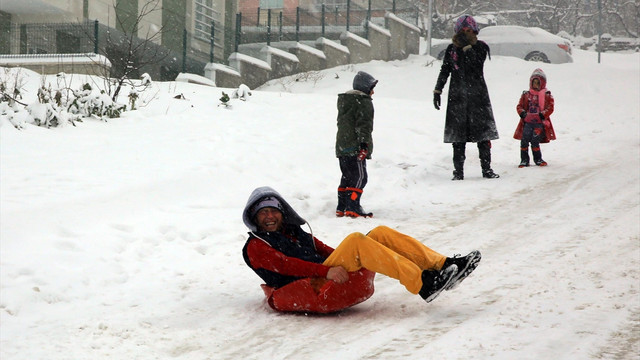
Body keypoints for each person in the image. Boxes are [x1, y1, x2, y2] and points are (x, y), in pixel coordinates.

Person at [242, 186, 481, 304]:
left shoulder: (292, 231)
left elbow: (323, 249)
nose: (270, 216)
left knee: (379, 233)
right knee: (357, 239)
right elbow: (287, 266)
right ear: (254, 217)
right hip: (306, 284)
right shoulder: (256, 245)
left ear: (282, 214)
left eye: (274, 211)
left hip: (322, 272)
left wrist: (352, 257)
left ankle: (444, 264)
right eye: (264, 213)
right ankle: (424, 285)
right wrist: (329, 270)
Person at [433, 14, 500, 180]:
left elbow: (476, 66)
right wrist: (438, 90)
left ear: (475, 30)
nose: (466, 33)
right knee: (458, 137)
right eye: (463, 30)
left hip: (478, 98)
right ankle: (458, 172)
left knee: (483, 136)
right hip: (458, 99)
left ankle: (487, 169)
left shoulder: (481, 48)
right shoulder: (451, 49)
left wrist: (467, 49)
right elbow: (445, 70)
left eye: (469, 30)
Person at [335, 71, 377, 218]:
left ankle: (342, 207)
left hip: (342, 146)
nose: (372, 92)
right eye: (371, 88)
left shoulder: (345, 101)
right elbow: (364, 126)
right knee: (360, 177)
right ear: (364, 87)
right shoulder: (363, 102)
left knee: (347, 176)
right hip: (356, 147)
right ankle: (353, 207)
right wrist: (364, 145)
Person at [514, 68, 556, 167]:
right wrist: (523, 114)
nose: (536, 85)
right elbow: (519, 106)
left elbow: (550, 107)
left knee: (535, 141)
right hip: (527, 122)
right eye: (534, 82)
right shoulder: (526, 94)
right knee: (524, 140)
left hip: (539, 123)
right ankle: (524, 160)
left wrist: (543, 114)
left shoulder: (547, 95)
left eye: (538, 83)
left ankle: (538, 159)